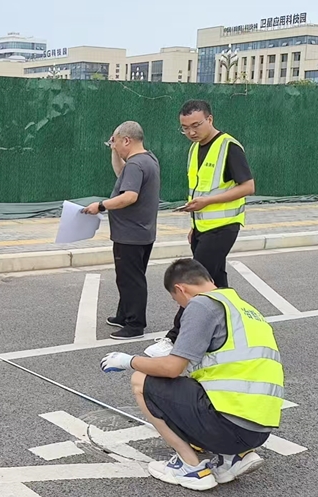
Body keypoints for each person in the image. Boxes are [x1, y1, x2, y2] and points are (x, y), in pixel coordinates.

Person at [100, 258, 284, 491]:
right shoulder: (243, 308)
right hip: (259, 430)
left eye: (176, 300)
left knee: (140, 380)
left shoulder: (201, 305)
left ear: (180, 289)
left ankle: (190, 467)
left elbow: (172, 369)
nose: (180, 306)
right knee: (190, 384)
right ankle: (233, 458)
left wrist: (129, 361)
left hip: (229, 427)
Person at [145, 99, 255, 358]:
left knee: (192, 281)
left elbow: (248, 187)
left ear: (210, 119)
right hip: (202, 227)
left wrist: (208, 202)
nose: (191, 132)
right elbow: (200, 190)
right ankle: (236, 327)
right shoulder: (195, 149)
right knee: (217, 281)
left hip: (224, 227)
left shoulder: (228, 146)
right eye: (185, 128)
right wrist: (195, 225)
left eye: (196, 125)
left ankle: (174, 338)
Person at [82, 121, 160, 340]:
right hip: (143, 232)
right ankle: (124, 314)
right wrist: (114, 150)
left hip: (130, 234)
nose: (114, 146)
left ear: (127, 140)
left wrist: (101, 205)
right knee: (130, 276)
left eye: (115, 143)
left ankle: (135, 324)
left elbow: (129, 196)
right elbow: (121, 174)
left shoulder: (136, 164)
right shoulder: (148, 159)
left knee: (130, 279)